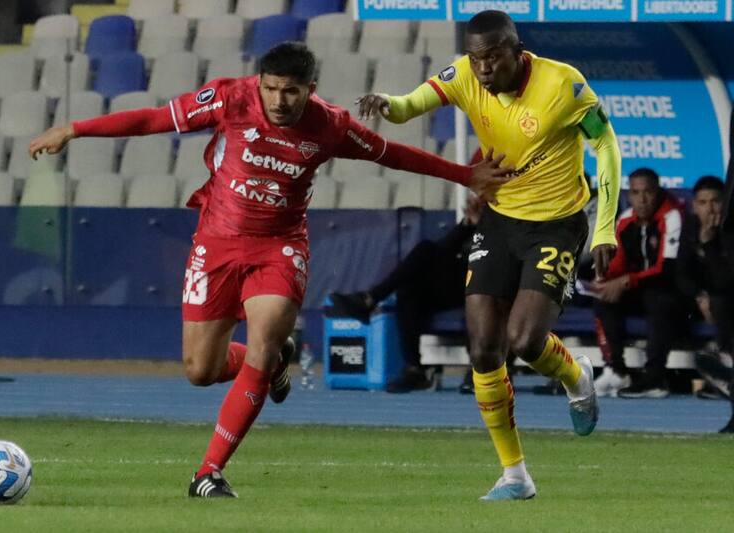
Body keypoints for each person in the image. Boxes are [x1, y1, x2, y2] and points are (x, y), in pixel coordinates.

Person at [29, 42, 513, 499]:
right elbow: (155, 119)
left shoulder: (331, 126)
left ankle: (208, 472)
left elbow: (394, 155)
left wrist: (465, 174)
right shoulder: (228, 99)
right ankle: (276, 363)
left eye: (292, 91)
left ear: (311, 88)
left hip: (278, 249)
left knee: (264, 335)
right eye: (271, 88)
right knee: (201, 370)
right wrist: (75, 129)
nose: (280, 100)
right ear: (259, 83)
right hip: (215, 245)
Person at [357, 10, 621, 500]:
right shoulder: (463, 75)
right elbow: (410, 104)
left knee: (524, 339)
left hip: (557, 224)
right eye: (476, 57)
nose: (482, 68)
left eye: (493, 56)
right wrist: (385, 103)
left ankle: (575, 375)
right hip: (500, 222)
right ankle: (514, 475)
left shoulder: (564, 85)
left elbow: (605, 145)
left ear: (516, 51)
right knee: (482, 348)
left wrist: (604, 225)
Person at [328, 193, 482, 394]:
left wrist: (482, 225)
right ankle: (414, 369)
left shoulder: (509, 218)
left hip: (487, 280)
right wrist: (469, 223)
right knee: (410, 288)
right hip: (459, 283)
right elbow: (445, 248)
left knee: (425, 250)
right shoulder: (473, 224)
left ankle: (370, 299)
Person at [592, 168, 684, 399]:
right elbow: (618, 265)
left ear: (658, 191)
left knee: (658, 299)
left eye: (648, 192)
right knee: (605, 299)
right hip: (640, 289)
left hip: (674, 292)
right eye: (636, 193)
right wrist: (603, 280)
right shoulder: (625, 221)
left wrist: (625, 281)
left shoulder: (672, 216)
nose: (642, 199)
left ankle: (655, 377)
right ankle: (616, 368)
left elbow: (667, 270)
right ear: (628, 194)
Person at [676, 176, 734, 431]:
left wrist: (710, 242)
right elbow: (681, 273)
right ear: (694, 205)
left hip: (724, 299)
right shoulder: (689, 227)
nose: (710, 209)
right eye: (703, 202)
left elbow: (725, 279)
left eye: (716, 201)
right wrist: (699, 296)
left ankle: (726, 362)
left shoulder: (728, 230)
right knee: (663, 301)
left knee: (723, 302)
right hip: (699, 300)